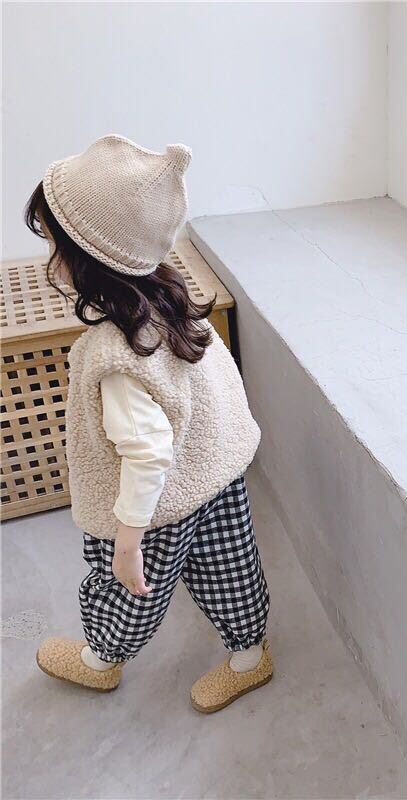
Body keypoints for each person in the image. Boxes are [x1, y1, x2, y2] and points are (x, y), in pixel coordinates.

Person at [28, 134, 271, 713]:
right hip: (214, 475)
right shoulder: (172, 298)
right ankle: (250, 656)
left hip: (156, 505)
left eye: (55, 246)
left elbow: (146, 451)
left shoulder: (117, 356)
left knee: (130, 588)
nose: (49, 261)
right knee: (230, 568)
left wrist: (128, 539)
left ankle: (101, 660)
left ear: (90, 261)